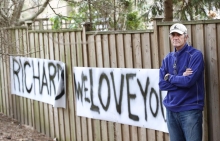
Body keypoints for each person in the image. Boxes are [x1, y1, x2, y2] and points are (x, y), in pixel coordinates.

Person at [159, 23, 205, 141]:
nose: (175, 37)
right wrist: (180, 77)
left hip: (190, 109)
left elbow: (188, 82)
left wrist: (170, 77)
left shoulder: (195, 55)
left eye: (178, 34)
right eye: (173, 35)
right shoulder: (167, 58)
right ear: (170, 37)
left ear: (186, 37)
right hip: (171, 110)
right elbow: (161, 84)